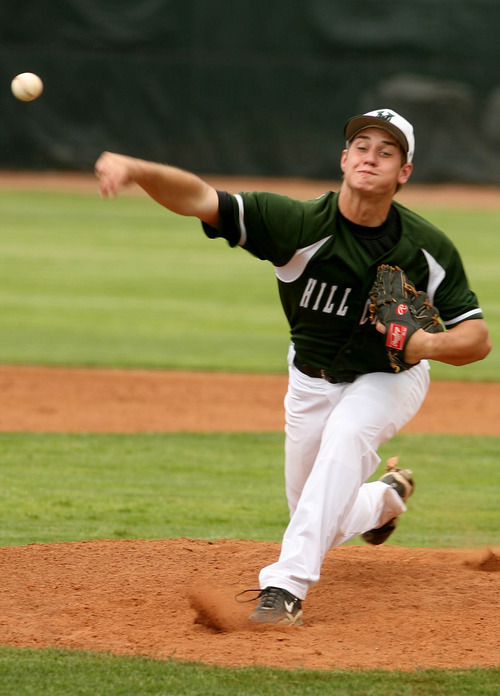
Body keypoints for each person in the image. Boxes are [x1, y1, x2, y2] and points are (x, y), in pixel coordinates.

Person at [94, 108, 491, 626]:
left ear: (404, 172)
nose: (371, 157)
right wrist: (137, 169)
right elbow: (199, 198)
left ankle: (284, 590)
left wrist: (423, 345)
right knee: (317, 508)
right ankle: (387, 498)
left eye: (387, 152)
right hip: (310, 378)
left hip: (390, 377)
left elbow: (477, 337)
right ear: (345, 158)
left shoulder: (426, 249)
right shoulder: (298, 224)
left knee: (346, 439)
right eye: (363, 146)